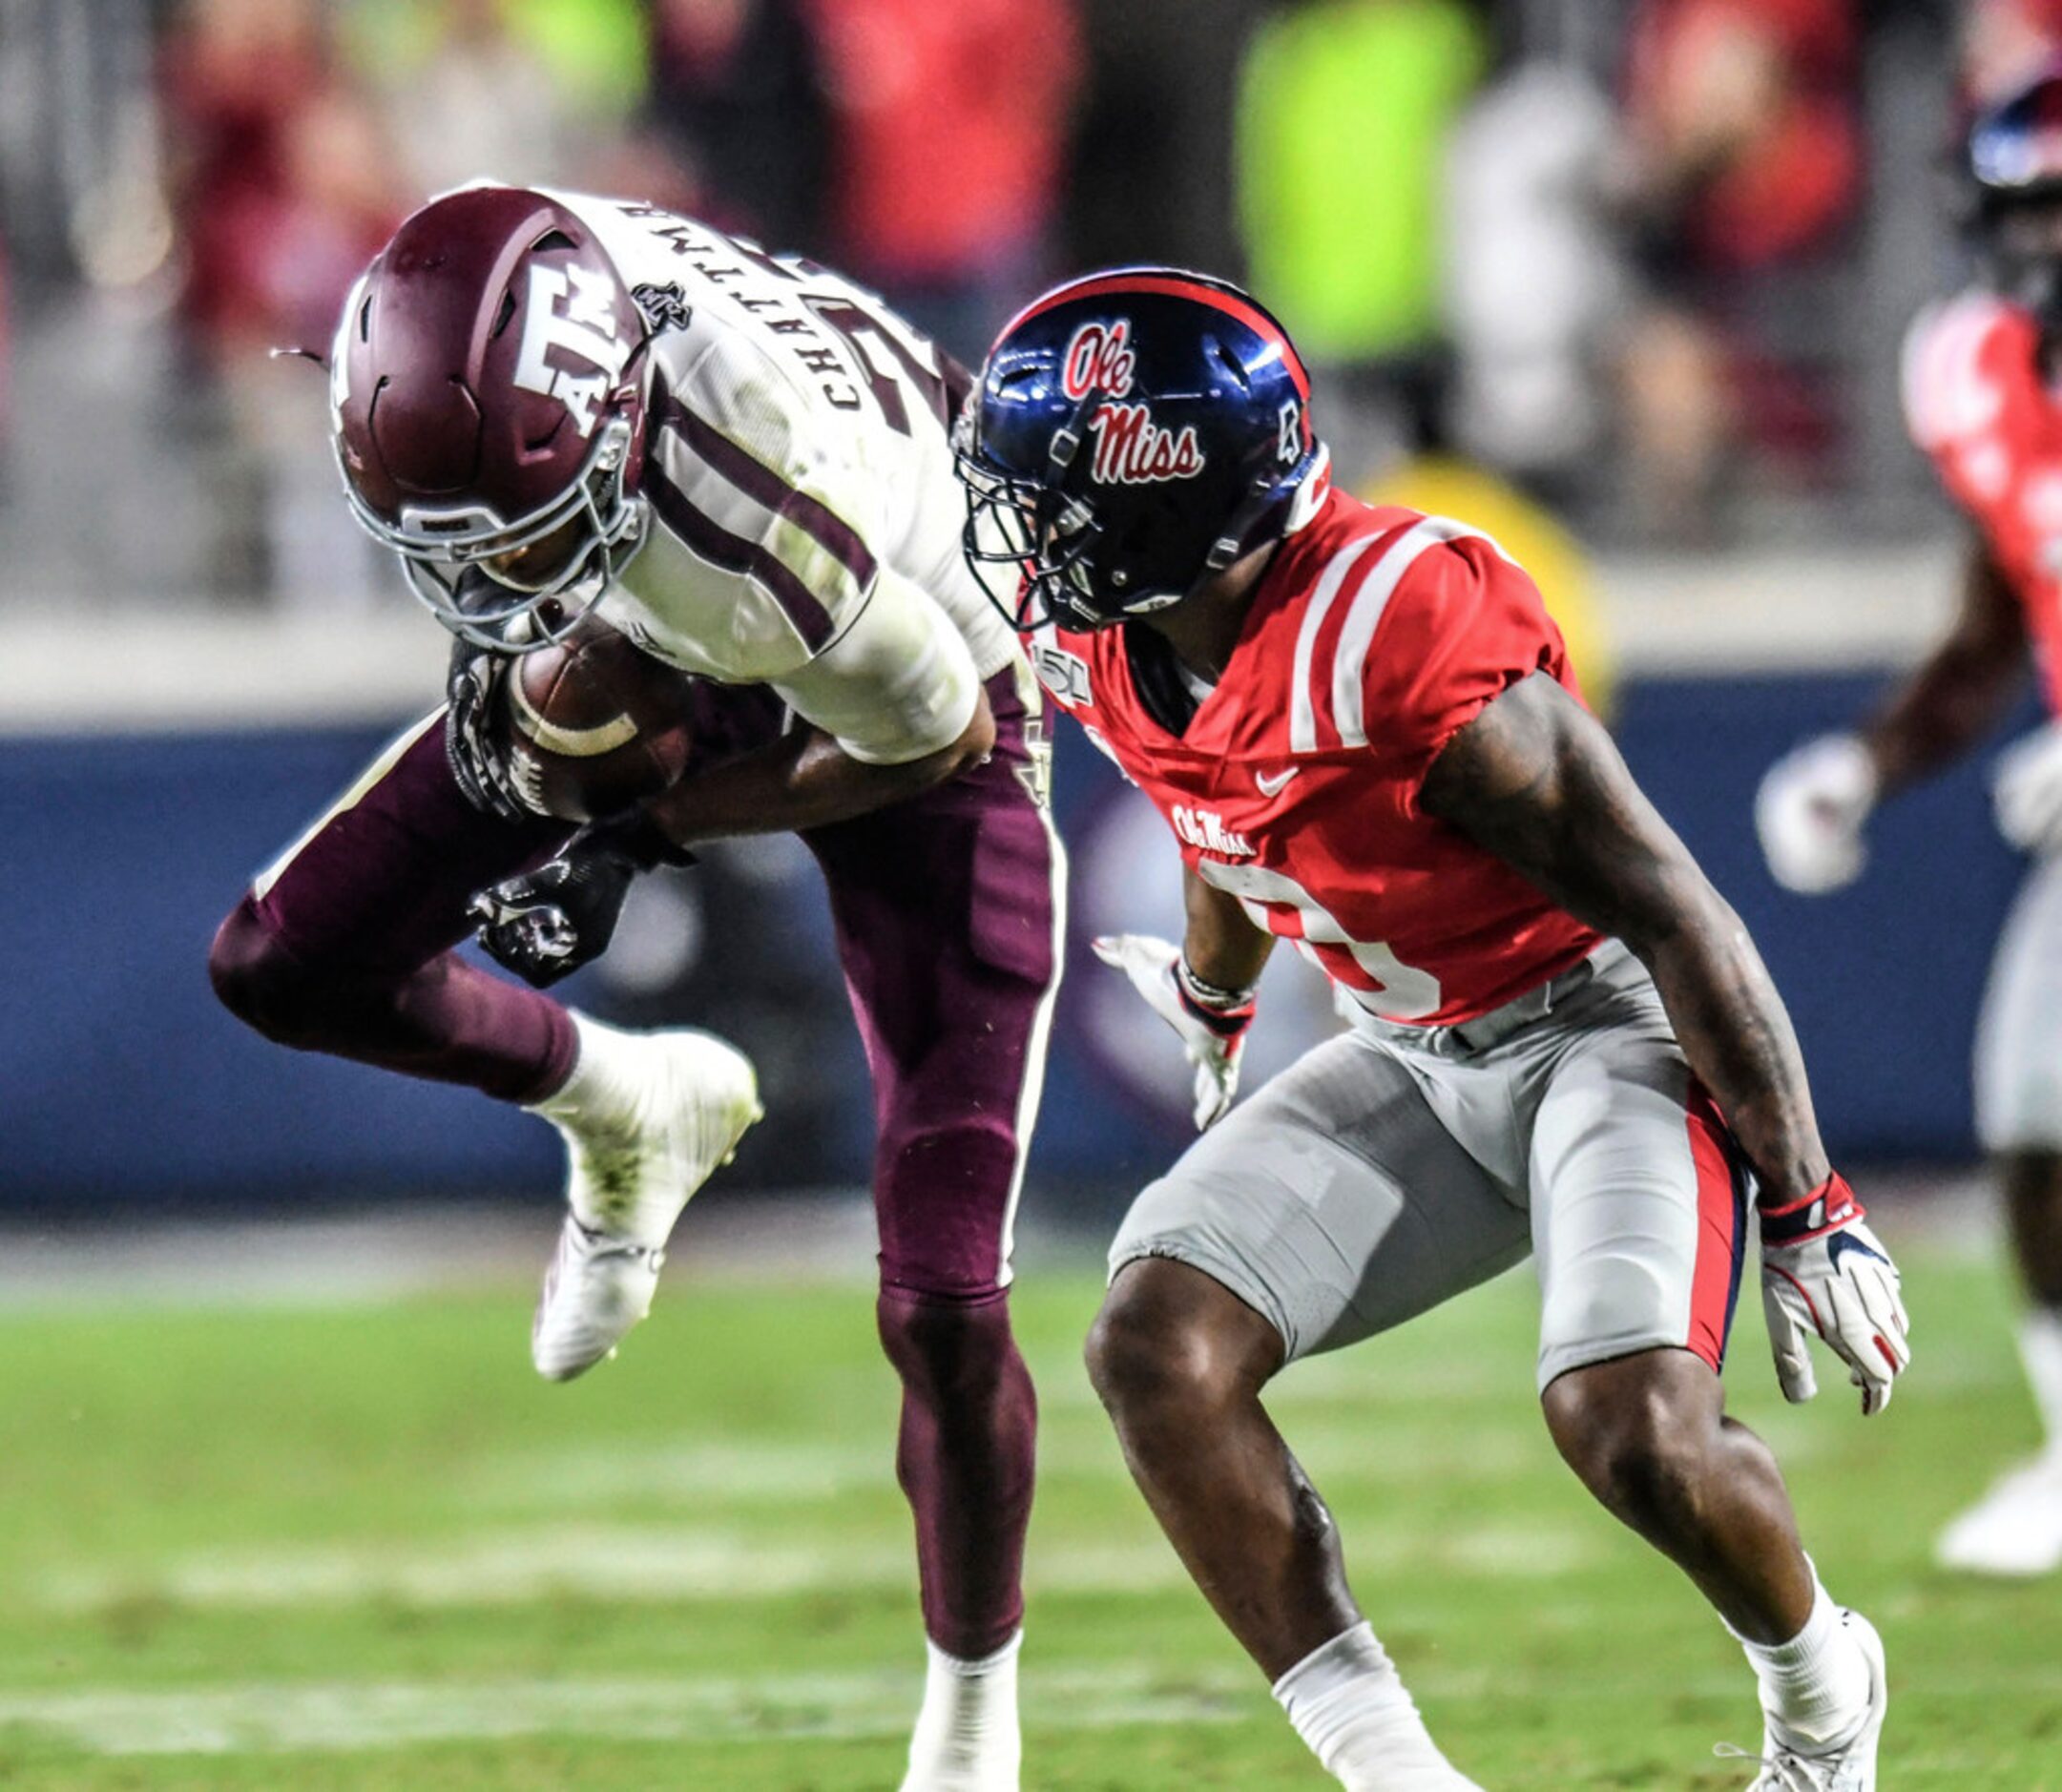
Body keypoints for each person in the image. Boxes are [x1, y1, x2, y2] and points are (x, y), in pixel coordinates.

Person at [956, 269, 1909, 1789]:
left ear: (1174, 494)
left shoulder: (1390, 625)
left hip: (1603, 1025)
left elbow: (1673, 908)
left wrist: (1808, 1203)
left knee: (1632, 1431)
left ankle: (1821, 1686)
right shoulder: (1113, 635)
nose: (1026, 532)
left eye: (1055, 494)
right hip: (1413, 1046)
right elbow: (1213, 810)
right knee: (1153, 1343)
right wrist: (1212, 985)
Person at [208, 184, 1061, 1792]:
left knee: (944, 1300)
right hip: (675, 595)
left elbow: (925, 737)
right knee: (285, 959)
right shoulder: (486, 314)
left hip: (918, 656)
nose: (486, 583)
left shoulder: (760, 514)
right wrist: (565, 706)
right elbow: (531, 542)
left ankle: (968, 1742)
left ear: (601, 437)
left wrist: (638, 830)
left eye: (516, 540)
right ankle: (624, 1098)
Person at [1756, 61, 2062, 1580]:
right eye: (2032, 213)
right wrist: (1867, 764)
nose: (2051, 246)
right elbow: (1993, 621)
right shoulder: (1972, 365)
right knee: (2032, 1103)